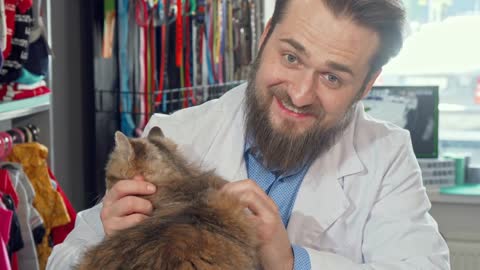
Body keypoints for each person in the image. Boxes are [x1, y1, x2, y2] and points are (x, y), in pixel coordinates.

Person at [47, 0, 451, 269]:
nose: (299, 93)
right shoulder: (176, 135)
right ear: (263, 39)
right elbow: (61, 260)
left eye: (332, 76)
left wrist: (293, 262)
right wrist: (113, 240)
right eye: (291, 57)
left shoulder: (386, 156)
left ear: (366, 85)